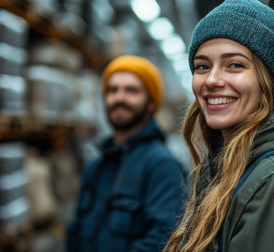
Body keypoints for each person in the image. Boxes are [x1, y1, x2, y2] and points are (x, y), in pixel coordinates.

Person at [163, 0, 274, 251]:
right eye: (202, 66)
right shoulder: (230, 165)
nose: (212, 80)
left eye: (235, 65)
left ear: (268, 80)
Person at [66, 55, 187, 252]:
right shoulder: (95, 168)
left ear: (150, 104)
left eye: (131, 90)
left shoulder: (162, 166)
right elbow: (75, 233)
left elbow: (163, 241)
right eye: (112, 90)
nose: (119, 97)